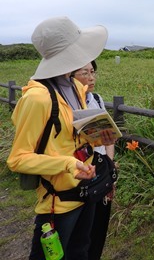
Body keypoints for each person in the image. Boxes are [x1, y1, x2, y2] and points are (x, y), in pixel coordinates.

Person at [7, 16, 115, 259]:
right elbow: (18, 159)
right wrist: (66, 164)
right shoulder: (37, 99)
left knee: (80, 251)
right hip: (58, 202)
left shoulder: (76, 87)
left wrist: (99, 137)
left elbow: (71, 137)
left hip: (86, 191)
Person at [71, 60, 115, 260]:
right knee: (81, 231)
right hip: (79, 170)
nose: (91, 77)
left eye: (93, 72)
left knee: (100, 223)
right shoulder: (67, 104)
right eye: (84, 73)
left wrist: (110, 165)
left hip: (101, 167)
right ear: (70, 76)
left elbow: (109, 139)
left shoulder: (96, 99)